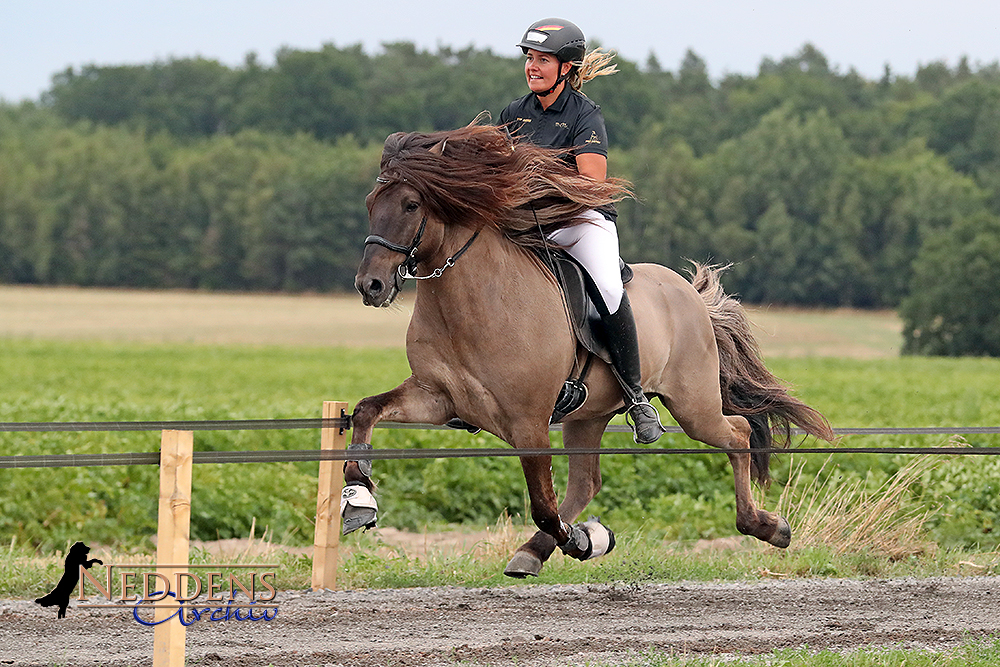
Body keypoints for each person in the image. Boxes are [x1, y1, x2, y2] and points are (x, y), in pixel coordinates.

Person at [498, 18, 665, 444]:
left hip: (578, 221)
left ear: (567, 67)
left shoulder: (585, 115)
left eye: (543, 60)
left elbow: (592, 182)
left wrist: (536, 190)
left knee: (608, 287)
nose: (532, 67)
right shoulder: (514, 113)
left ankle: (635, 396)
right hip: (527, 225)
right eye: (530, 59)